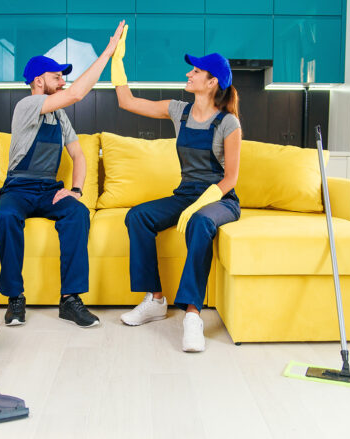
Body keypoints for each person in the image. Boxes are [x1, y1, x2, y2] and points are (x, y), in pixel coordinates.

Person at [111, 26, 242, 351]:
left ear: (212, 82)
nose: (189, 73)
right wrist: (117, 59)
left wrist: (202, 205)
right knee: (137, 217)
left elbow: (230, 179)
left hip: (220, 199)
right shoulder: (178, 111)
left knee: (200, 222)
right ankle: (155, 300)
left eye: (195, 71)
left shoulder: (228, 123)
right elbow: (127, 101)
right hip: (185, 194)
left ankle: (193, 316)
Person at [0, 20, 125, 328]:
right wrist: (108, 51)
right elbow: (78, 93)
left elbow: (78, 154)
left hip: (48, 190)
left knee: (77, 214)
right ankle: (14, 298)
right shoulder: (26, 106)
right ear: (39, 81)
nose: (63, 81)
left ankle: (70, 300)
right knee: (7, 217)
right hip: (18, 190)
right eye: (57, 77)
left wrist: (76, 190)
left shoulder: (59, 114)